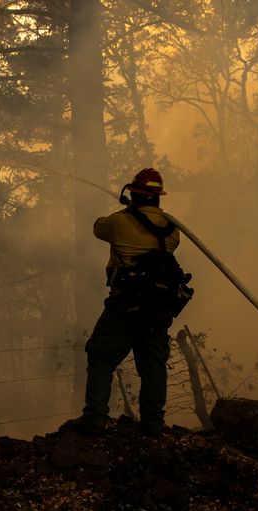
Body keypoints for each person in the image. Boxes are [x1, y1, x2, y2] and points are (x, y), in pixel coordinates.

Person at [68, 168, 181, 437]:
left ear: (134, 193)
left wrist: (127, 210)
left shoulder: (119, 223)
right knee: (153, 364)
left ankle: (95, 420)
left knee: (101, 354)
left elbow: (99, 227)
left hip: (125, 304)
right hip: (157, 307)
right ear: (158, 197)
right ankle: (153, 424)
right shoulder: (173, 230)